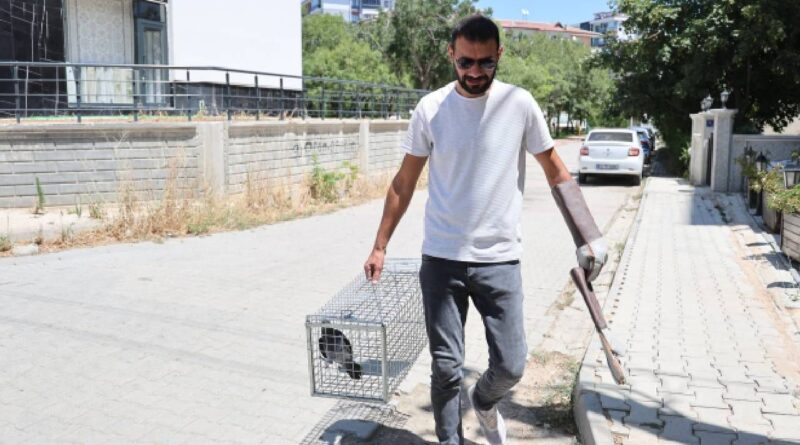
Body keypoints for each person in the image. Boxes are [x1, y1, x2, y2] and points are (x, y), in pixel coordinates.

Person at [363, 14, 609, 445]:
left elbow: (555, 170)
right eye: (465, 62)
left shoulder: (519, 104)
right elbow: (403, 183)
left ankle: (485, 401)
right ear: (451, 56)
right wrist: (379, 245)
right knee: (445, 366)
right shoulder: (431, 108)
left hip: (499, 260)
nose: (474, 72)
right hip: (441, 259)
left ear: (499, 55)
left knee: (512, 363)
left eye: (485, 63)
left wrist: (589, 234)